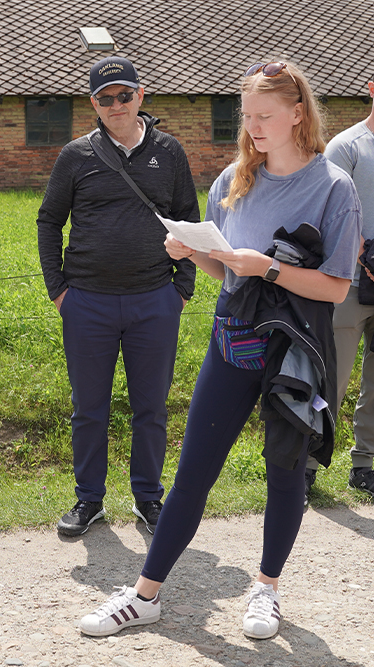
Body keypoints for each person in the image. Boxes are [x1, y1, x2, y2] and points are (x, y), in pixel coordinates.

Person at [78, 61, 361, 641]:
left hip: (294, 349)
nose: (252, 127)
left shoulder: (335, 186)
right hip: (233, 339)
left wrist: (269, 268)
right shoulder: (232, 179)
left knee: (285, 473)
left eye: (264, 116)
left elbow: (336, 287)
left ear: (297, 114)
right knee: (191, 475)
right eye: (246, 116)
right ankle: (145, 595)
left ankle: (266, 589)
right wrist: (193, 252)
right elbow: (226, 272)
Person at [36, 56, 200, 537]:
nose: (116, 105)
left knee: (151, 408)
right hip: (87, 302)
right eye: (105, 98)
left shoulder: (169, 151)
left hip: (155, 299)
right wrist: (58, 291)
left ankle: (149, 498)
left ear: (140, 96)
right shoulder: (76, 155)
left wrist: (182, 289)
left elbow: (188, 219)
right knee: (89, 409)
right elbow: (49, 221)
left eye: (124, 95)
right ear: (94, 104)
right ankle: (89, 500)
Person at [304, 75, 374, 501]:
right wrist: (364, 255)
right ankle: (306, 465)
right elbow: (332, 213)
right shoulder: (347, 147)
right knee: (332, 378)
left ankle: (364, 465)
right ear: (372, 87)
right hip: (348, 284)